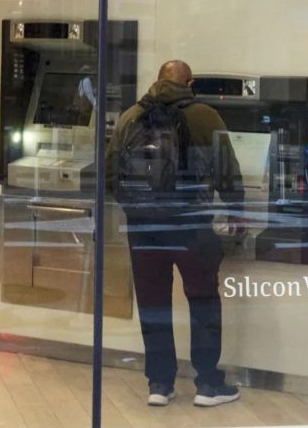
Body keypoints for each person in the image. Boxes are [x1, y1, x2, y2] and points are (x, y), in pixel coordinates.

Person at [107, 59, 246, 408]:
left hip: (144, 228)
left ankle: (159, 383)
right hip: (190, 227)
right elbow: (226, 169)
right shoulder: (205, 116)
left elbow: (110, 174)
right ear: (190, 82)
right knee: (203, 302)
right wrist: (237, 209)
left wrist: (136, 208)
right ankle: (207, 385)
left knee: (153, 303)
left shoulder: (130, 117)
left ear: (157, 81)